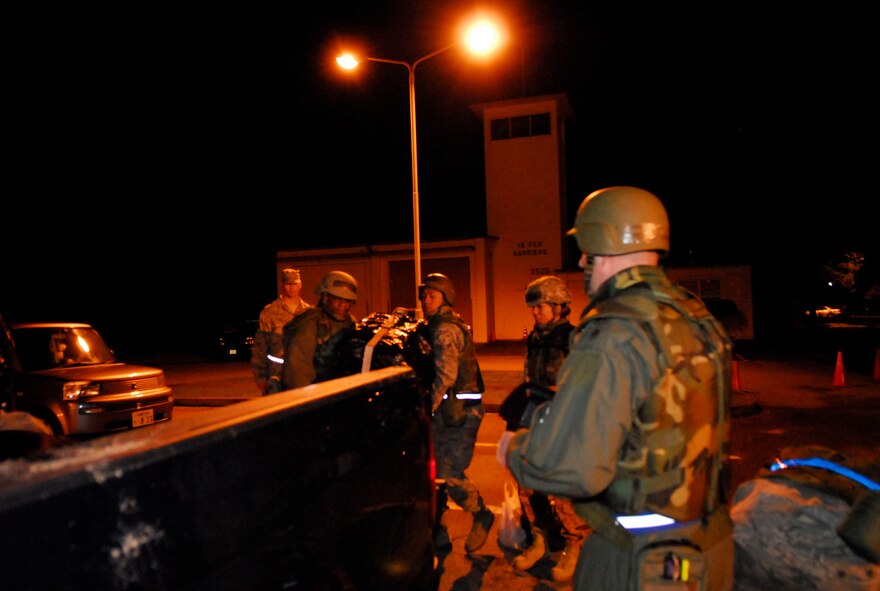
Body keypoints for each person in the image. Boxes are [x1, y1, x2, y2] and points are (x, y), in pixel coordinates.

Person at [498, 186, 734, 590]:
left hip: (638, 557)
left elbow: (571, 470)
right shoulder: (694, 314)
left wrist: (515, 451)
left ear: (602, 245)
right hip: (708, 546)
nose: (582, 262)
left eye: (586, 253)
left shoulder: (615, 329)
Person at [499, 275, 592, 582]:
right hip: (536, 419)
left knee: (564, 492)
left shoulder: (574, 338)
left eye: (541, 306)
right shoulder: (536, 338)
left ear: (560, 307)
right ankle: (541, 538)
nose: (535, 312)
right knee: (529, 484)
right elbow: (529, 376)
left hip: (565, 423)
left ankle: (574, 547)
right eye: (533, 307)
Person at [419, 272, 494, 553]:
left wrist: (426, 406)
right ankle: (439, 532)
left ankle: (481, 514)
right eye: (424, 295)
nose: (426, 300)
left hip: (461, 414)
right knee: (436, 471)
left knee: (449, 472)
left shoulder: (445, 330)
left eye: (432, 296)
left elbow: (446, 376)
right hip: (450, 412)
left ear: (445, 299)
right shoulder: (439, 324)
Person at [281, 270, 358, 390]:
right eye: (337, 298)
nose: (343, 304)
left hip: (339, 391)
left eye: (347, 300)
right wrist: (309, 401)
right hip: (315, 394)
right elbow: (297, 368)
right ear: (325, 297)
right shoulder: (310, 322)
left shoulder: (351, 322)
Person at [251, 268, 311, 394]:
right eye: (288, 284)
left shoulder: (308, 313)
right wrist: (260, 377)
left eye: (294, 284)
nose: (291, 288)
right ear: (283, 285)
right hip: (276, 377)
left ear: (300, 285)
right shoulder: (269, 312)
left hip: (302, 378)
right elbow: (260, 348)